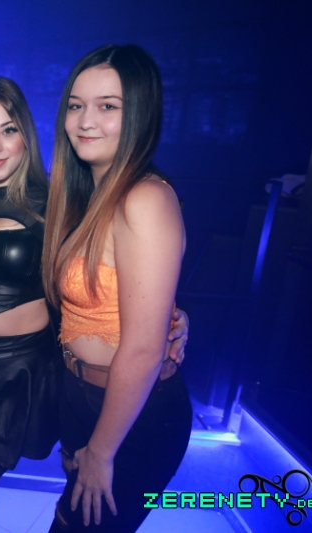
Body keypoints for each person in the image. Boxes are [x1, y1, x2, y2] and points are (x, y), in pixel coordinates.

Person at [0, 78, 190, 533]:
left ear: (27, 135)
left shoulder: (61, 205)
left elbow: (110, 277)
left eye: (8, 130)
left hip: (20, 374)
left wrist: (172, 314)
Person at [41, 44, 193, 532]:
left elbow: (144, 348)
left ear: (140, 115)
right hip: (83, 397)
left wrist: (102, 451)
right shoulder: (91, 196)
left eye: (108, 106)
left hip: (133, 416)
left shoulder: (144, 197)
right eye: (76, 105)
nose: (86, 121)